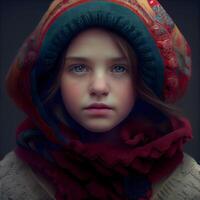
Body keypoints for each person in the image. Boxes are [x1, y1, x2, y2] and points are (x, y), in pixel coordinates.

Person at [0, 0, 200, 199]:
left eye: (119, 68)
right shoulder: (9, 184)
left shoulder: (190, 186)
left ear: (143, 79)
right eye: (78, 67)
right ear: (55, 78)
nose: (98, 87)